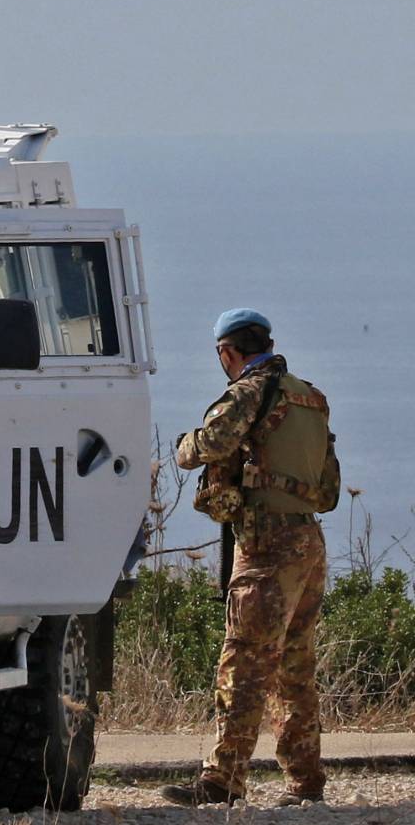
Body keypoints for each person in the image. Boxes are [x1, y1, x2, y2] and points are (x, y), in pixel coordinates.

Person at [161, 309, 340, 808]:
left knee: (242, 663)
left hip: (265, 548)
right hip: (308, 542)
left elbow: (211, 443)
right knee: (293, 668)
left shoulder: (247, 392)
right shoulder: (310, 397)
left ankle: (223, 781)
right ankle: (306, 784)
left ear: (228, 352)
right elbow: (328, 493)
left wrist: (184, 447)